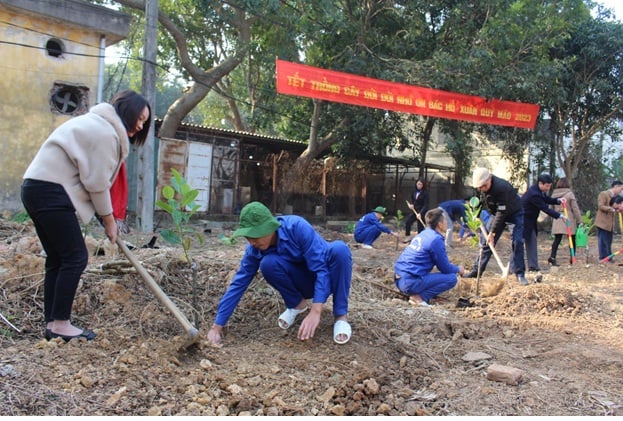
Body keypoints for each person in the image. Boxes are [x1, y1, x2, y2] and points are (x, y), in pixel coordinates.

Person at [21, 90, 151, 341]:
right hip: (50, 191)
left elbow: (88, 179)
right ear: (126, 111)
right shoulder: (106, 134)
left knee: (59, 258)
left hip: (35, 188)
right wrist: (110, 220)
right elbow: (96, 183)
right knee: (76, 256)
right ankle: (60, 324)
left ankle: (53, 323)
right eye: (139, 118)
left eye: (144, 122)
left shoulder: (96, 124)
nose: (140, 125)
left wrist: (106, 217)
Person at [207, 201, 353, 345]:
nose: (252, 242)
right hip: (303, 283)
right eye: (248, 237)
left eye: (255, 236)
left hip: (325, 278)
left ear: (269, 228)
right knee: (268, 263)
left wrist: (316, 311)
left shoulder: (297, 227)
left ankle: (340, 316)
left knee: (340, 249)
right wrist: (217, 327)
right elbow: (239, 283)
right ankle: (297, 305)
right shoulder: (254, 249)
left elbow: (321, 269)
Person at [464, 168, 528, 285]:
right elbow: (480, 201)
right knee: (486, 243)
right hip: (496, 213)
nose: (482, 189)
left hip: (514, 214)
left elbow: (502, 212)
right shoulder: (480, 187)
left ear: (490, 178)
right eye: (480, 187)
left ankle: (520, 274)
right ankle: (476, 271)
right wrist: (476, 214)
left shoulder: (501, 187)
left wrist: (492, 232)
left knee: (517, 242)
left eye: (484, 186)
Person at [394, 208, 465, 307]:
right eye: (445, 221)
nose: (447, 223)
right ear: (439, 224)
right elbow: (445, 268)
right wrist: (458, 269)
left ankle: (415, 291)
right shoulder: (436, 240)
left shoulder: (423, 234)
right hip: (410, 283)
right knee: (451, 278)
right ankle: (420, 298)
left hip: (399, 279)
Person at [521, 173, 566, 272]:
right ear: (540, 183)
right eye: (547, 186)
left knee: (532, 241)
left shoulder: (539, 191)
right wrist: (559, 215)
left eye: (550, 186)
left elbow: (547, 199)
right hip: (523, 220)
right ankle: (515, 267)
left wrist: (558, 200)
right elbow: (544, 208)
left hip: (531, 220)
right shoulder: (534, 194)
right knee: (519, 244)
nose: (548, 188)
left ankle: (533, 266)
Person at [548, 178, 582, 266]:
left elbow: (550, 208)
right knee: (572, 239)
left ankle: (552, 257)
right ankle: (572, 258)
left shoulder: (554, 194)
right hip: (568, 218)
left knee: (557, 239)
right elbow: (575, 208)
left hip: (558, 218)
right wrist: (579, 220)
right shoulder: (570, 194)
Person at [595, 180, 623, 261]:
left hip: (610, 224)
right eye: (621, 189)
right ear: (615, 187)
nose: (621, 191)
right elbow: (600, 206)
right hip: (602, 222)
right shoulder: (604, 194)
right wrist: (611, 209)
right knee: (602, 241)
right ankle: (603, 257)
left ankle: (609, 257)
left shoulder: (616, 197)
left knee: (609, 241)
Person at [404, 177, 429, 242]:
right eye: (418, 184)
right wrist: (411, 205)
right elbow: (412, 200)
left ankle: (420, 240)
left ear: (423, 185)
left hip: (422, 212)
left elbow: (426, 205)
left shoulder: (426, 193)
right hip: (415, 211)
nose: (419, 185)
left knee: (420, 227)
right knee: (408, 222)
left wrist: (420, 213)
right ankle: (408, 236)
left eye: (420, 184)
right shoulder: (414, 192)